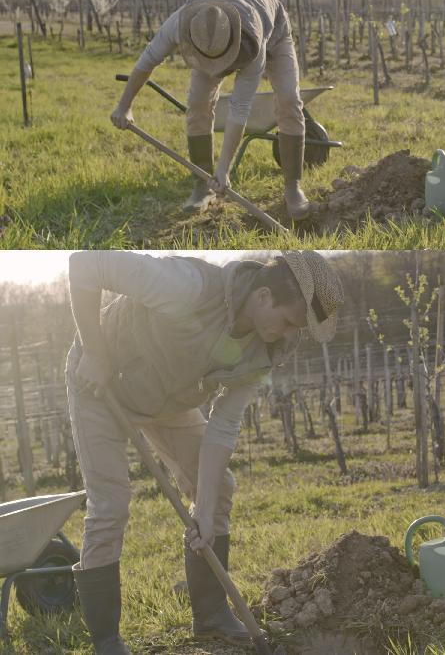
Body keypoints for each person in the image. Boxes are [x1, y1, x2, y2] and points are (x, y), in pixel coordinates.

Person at [65, 250, 344, 653]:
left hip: (169, 403)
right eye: (288, 322)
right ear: (264, 297)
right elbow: (85, 265)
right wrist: (94, 350)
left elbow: (222, 427)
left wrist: (206, 510)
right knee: (111, 506)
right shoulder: (188, 287)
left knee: (217, 490)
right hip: (100, 384)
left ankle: (211, 616)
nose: (289, 336)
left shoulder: (264, 352)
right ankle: (107, 640)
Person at [109, 0, 315, 220]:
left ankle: (292, 187)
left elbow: (239, 107)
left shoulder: (252, 43)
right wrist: (124, 105)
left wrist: (225, 168)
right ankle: (202, 183)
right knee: (198, 104)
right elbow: (147, 61)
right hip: (213, 41)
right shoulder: (182, 26)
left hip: (272, 27)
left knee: (289, 99)